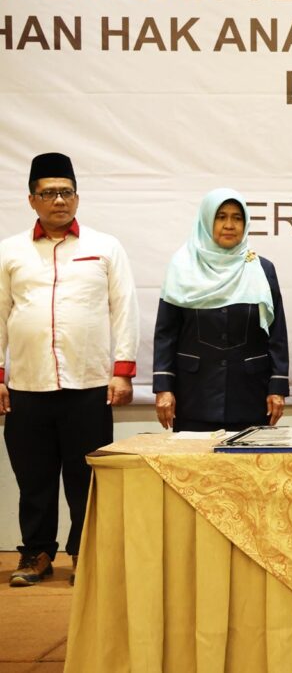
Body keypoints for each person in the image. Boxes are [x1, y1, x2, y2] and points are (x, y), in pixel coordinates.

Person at [1, 152, 139, 587]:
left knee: (86, 477)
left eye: (66, 192)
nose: (59, 200)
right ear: (32, 200)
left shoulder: (104, 246)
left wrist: (122, 370)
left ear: (77, 197)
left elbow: (125, 310)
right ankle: (36, 554)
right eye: (49, 193)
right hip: (27, 383)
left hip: (90, 384)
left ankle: (85, 553)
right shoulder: (10, 251)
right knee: (34, 478)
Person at [153, 188, 289, 431]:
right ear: (206, 220)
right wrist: (164, 388)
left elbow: (277, 334)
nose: (229, 225)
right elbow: (166, 333)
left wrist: (277, 387)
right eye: (221, 216)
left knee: (249, 468)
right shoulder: (182, 266)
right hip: (193, 396)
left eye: (237, 218)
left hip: (251, 396)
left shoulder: (261, 269)